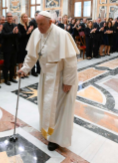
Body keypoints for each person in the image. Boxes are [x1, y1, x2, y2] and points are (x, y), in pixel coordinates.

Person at [18, 11, 79, 151]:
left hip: (62, 77)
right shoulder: (36, 33)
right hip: (46, 75)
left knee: (59, 109)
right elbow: (32, 55)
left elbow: (71, 61)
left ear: (51, 22)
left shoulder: (62, 35)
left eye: (42, 24)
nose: (39, 27)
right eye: (37, 24)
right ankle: (47, 128)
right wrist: (25, 69)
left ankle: (56, 139)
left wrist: (68, 81)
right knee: (46, 104)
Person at [2, 12, 20, 85]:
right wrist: (12, 33)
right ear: (6, 18)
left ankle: (11, 77)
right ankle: (6, 79)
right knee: (7, 64)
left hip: (14, 47)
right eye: (8, 16)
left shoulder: (15, 25)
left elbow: (19, 35)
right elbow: (4, 35)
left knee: (13, 64)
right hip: (7, 47)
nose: (9, 17)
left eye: (10, 16)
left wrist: (17, 32)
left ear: (12, 17)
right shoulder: (4, 25)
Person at [29, 11, 41, 77]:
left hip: (39, 40)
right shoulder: (32, 22)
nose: (37, 16)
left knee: (39, 56)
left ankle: (39, 70)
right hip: (33, 40)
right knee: (34, 56)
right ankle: (33, 71)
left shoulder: (40, 22)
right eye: (36, 15)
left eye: (38, 15)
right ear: (34, 15)